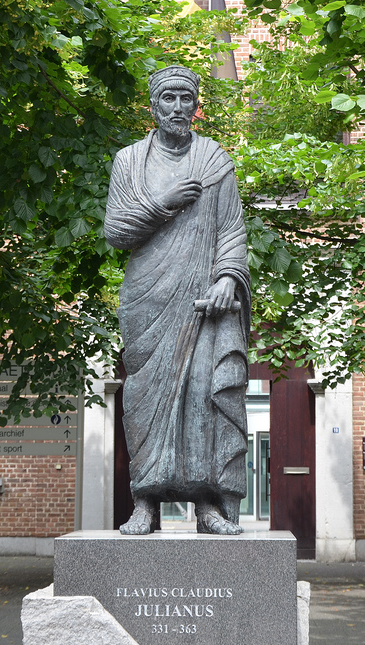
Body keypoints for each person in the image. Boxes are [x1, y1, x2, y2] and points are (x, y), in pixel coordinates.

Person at [105, 65, 250, 536]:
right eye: (168, 98)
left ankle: (207, 504)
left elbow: (231, 229)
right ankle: (145, 502)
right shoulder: (129, 161)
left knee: (202, 397)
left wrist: (228, 277)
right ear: (153, 105)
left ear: (195, 104)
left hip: (202, 300)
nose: (178, 108)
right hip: (148, 298)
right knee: (144, 398)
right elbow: (116, 231)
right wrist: (164, 201)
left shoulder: (214, 161)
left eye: (186, 99)